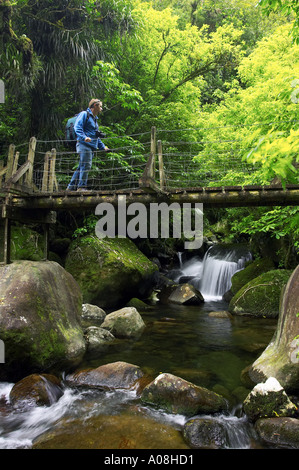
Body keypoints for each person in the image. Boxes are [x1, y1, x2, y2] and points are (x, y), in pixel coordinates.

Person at [67, 99, 109, 191]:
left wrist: (103, 147)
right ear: (95, 105)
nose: (101, 109)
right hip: (83, 145)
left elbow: (95, 136)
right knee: (86, 165)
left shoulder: (94, 120)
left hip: (91, 147)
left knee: (82, 166)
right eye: (100, 106)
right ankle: (81, 187)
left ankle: (70, 187)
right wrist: (84, 137)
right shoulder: (84, 114)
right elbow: (77, 127)